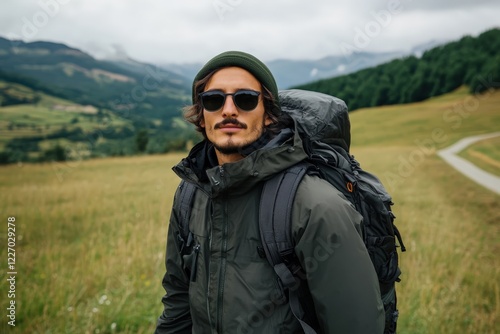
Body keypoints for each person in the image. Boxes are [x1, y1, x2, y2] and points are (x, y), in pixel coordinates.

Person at [155, 51, 385, 333]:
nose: (228, 109)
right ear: (201, 116)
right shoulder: (190, 194)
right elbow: (177, 304)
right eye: (213, 100)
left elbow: (356, 326)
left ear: (268, 115)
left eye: (246, 99)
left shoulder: (315, 205)